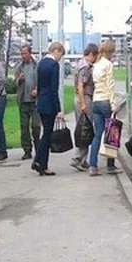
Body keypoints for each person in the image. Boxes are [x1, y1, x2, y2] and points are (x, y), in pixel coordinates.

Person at [88, 40, 123, 176]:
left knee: (98, 134)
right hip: (106, 102)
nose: (113, 55)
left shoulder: (96, 65)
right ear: (109, 52)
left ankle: (92, 166)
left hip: (96, 102)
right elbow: (110, 86)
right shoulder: (108, 65)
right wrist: (114, 105)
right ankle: (110, 166)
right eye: (112, 52)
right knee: (111, 134)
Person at [33, 41, 64, 176]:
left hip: (41, 102)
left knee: (45, 133)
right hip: (50, 104)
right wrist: (58, 109)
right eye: (61, 55)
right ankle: (42, 164)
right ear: (56, 51)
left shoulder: (41, 63)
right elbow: (54, 88)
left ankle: (38, 161)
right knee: (47, 134)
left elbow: (39, 85)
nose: (60, 58)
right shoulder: (53, 65)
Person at [70, 43, 99, 171]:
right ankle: (77, 158)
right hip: (85, 98)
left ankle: (83, 160)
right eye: (96, 56)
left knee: (82, 127)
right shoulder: (86, 67)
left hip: (79, 98)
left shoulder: (79, 63)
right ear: (91, 54)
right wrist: (83, 103)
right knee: (85, 129)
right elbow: (81, 86)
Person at [13, 44, 39, 160]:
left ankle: (39, 148)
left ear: (30, 53)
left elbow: (42, 80)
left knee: (36, 126)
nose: (23, 56)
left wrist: (37, 89)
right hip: (23, 100)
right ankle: (27, 150)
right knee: (24, 127)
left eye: (25, 53)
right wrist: (19, 80)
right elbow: (14, 82)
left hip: (35, 102)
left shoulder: (36, 66)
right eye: (21, 53)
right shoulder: (19, 67)